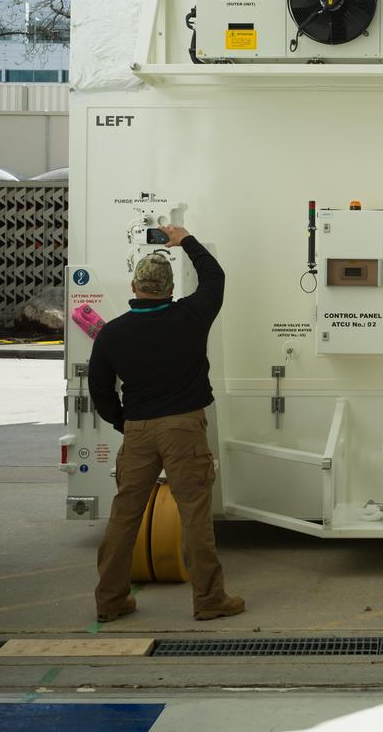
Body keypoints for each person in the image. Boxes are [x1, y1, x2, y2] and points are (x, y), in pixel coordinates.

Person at [88, 226, 244, 622]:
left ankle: (110, 601)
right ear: (171, 289)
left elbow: (100, 390)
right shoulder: (191, 315)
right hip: (184, 430)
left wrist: (126, 423)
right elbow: (214, 276)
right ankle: (209, 600)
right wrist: (185, 239)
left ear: (134, 287)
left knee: (124, 518)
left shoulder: (112, 333)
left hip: (138, 430)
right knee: (194, 516)